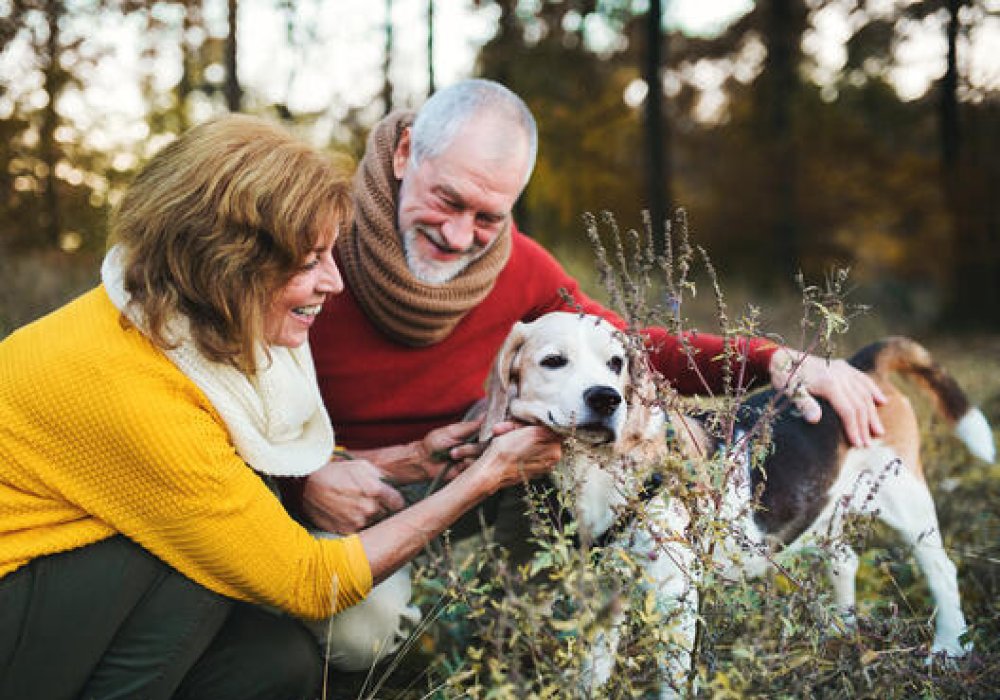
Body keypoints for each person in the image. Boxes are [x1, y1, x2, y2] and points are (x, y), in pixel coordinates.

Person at [0, 114, 562, 700]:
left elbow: (245, 453)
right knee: (201, 559)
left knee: (279, 664)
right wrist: (488, 475)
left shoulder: (189, 318)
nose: (335, 282)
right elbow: (309, 581)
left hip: (72, 573)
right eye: (310, 260)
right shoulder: (131, 384)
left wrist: (410, 459)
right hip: (15, 586)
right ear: (228, 263)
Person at [288, 78, 887, 539]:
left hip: (473, 480)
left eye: (489, 217)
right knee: (357, 641)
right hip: (340, 486)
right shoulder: (310, 248)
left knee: (571, 445)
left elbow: (624, 351)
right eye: (447, 200)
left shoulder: (521, 269)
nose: (459, 235)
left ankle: (537, 630)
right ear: (405, 153)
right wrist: (305, 480)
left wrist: (772, 359)